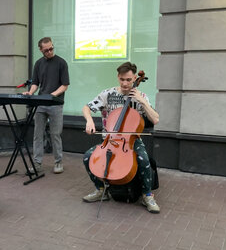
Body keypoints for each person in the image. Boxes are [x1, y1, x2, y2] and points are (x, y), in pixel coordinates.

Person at [81, 62, 160, 213]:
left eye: (129, 80)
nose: (125, 83)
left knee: (143, 160)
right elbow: (86, 107)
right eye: (122, 79)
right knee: (87, 157)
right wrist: (89, 121)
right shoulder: (107, 94)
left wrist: (142, 102)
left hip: (131, 141)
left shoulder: (141, 96)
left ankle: (147, 195)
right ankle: (100, 190)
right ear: (118, 77)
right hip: (109, 140)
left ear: (135, 78)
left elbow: (155, 119)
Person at [22, 37, 70, 174]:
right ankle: (37, 163)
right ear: (41, 50)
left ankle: (58, 162)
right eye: (46, 50)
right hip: (40, 103)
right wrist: (30, 92)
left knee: (55, 134)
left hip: (56, 104)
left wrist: (52, 95)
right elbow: (35, 83)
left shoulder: (61, 63)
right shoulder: (38, 64)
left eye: (51, 48)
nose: (49, 52)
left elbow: (65, 85)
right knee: (38, 134)